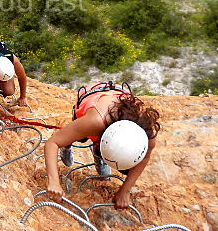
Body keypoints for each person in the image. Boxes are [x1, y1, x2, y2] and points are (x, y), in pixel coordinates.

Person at [44, 81, 161, 209]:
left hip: (116, 98)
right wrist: (54, 181)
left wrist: (125, 190)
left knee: (128, 169)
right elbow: (52, 143)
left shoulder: (146, 135)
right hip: (90, 96)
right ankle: (67, 146)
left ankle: (99, 156)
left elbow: (144, 158)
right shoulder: (95, 122)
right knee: (78, 136)